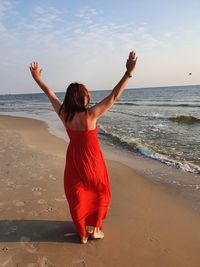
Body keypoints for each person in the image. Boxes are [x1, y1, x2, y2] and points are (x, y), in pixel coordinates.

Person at [29, 51, 137, 244]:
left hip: (74, 160)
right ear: (83, 98)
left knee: (77, 194)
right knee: (100, 191)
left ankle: (82, 234)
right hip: (93, 161)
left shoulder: (65, 115)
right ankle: (95, 229)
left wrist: (37, 78)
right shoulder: (91, 115)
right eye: (87, 95)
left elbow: (50, 94)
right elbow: (114, 96)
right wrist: (128, 73)